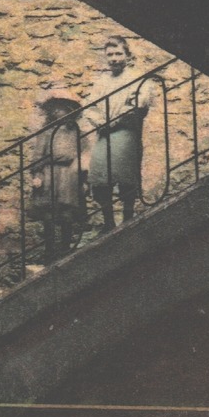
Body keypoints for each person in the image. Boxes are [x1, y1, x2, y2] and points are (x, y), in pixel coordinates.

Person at [85, 36, 149, 231]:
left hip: (125, 132)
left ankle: (128, 216)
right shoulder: (102, 81)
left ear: (127, 55)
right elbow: (90, 107)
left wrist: (114, 121)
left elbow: (138, 105)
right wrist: (99, 121)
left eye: (118, 53)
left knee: (125, 175)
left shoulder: (138, 79)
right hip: (104, 133)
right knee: (101, 176)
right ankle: (109, 221)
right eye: (110, 55)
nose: (114, 58)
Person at [27, 86, 87, 264]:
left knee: (67, 213)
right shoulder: (46, 133)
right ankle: (50, 250)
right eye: (54, 107)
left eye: (61, 107)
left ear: (70, 110)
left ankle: (66, 248)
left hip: (69, 175)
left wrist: (84, 179)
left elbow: (84, 154)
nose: (57, 111)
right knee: (48, 213)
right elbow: (38, 155)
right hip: (49, 172)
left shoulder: (77, 133)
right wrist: (37, 173)